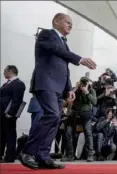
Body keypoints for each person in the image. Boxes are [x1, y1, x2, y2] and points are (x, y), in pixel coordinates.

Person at [19, 13, 97, 170]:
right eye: (68, 22)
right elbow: (56, 50)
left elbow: (64, 68)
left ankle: (43, 156)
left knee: (56, 119)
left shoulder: (64, 43)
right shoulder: (46, 34)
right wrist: (80, 59)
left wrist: (69, 89)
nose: (70, 25)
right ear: (56, 21)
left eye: (72, 24)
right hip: (45, 83)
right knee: (52, 115)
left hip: (59, 87)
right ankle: (27, 151)